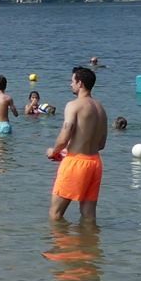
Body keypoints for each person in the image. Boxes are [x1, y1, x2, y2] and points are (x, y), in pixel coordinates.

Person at [47, 66, 107, 222]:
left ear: (80, 83)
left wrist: (53, 151)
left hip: (75, 163)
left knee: (55, 214)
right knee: (88, 215)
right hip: (95, 163)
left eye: (72, 81)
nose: (70, 84)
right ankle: (89, 245)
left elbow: (65, 135)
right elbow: (101, 144)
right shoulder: (101, 109)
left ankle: (63, 247)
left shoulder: (73, 105)